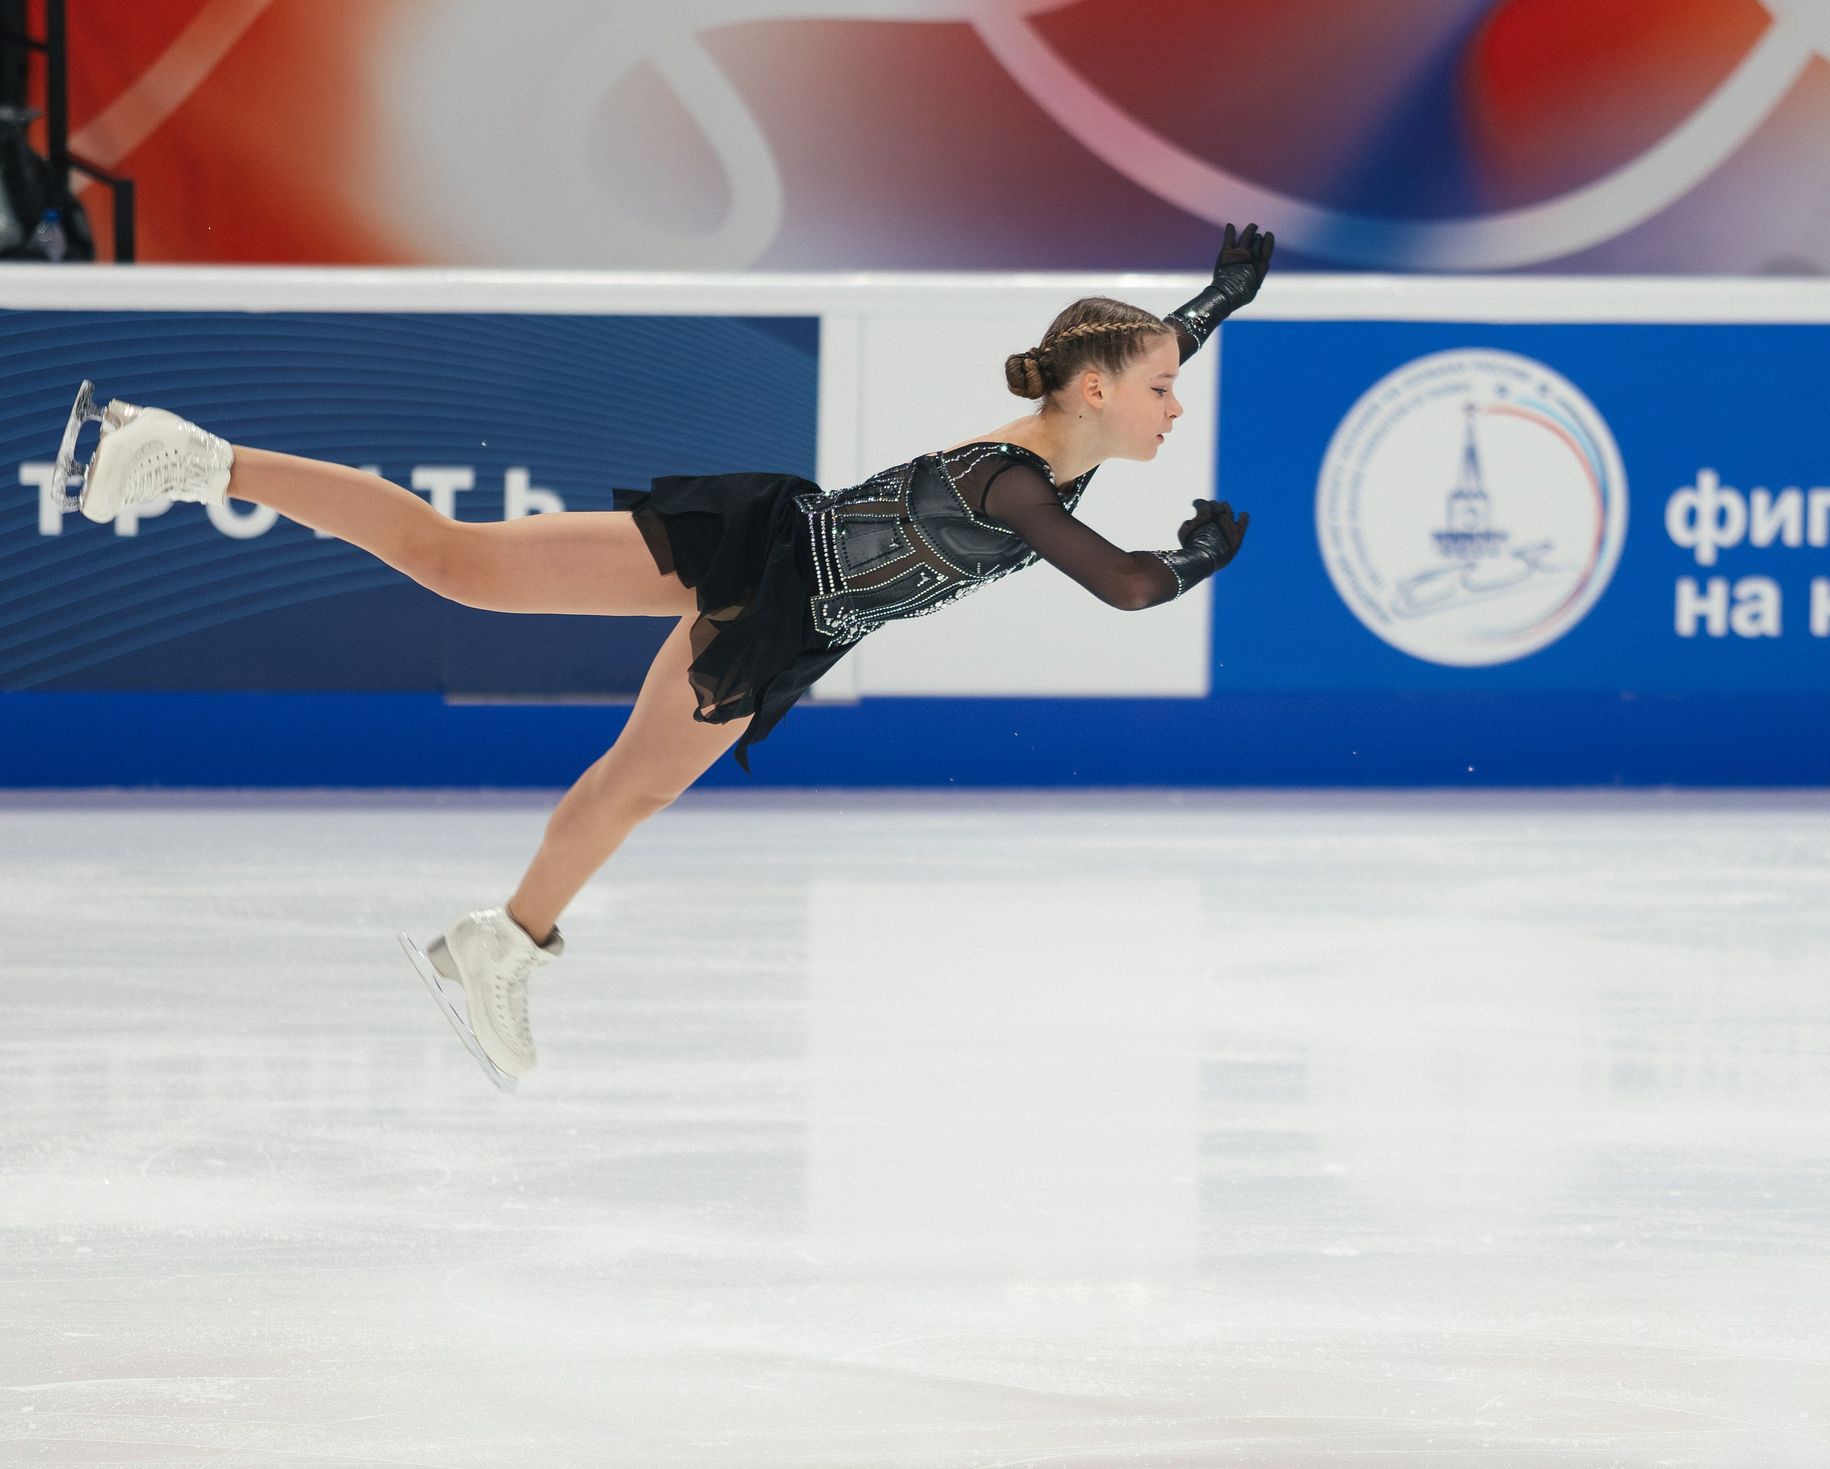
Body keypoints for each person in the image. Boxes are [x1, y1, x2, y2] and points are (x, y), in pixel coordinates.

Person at [51, 224, 1275, 1089]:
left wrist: (1217, 303)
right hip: (777, 575)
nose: (1178, 402)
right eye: (1163, 388)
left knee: (575, 718)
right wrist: (1198, 559)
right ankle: (187, 457)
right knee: (492, 600)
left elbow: (1141, 350)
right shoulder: (1018, 480)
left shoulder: (1080, 431)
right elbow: (1119, 585)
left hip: (792, 589)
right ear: (1098, 391)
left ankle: (500, 940)